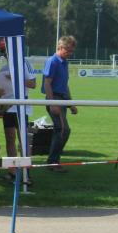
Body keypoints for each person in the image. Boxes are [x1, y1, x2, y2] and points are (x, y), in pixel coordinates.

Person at [0, 40, 36, 181]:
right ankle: (12, 170)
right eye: (3, 52)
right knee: (10, 139)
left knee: (23, 140)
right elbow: (0, 91)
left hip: (21, 106)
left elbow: (33, 84)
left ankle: (26, 171)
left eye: (6, 51)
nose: (5, 54)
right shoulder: (3, 69)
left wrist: (15, 78)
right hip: (7, 107)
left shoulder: (24, 63)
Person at [41, 35, 77, 172]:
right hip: (55, 98)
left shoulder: (64, 62)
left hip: (62, 99)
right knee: (63, 130)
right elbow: (47, 83)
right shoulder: (53, 61)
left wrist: (70, 103)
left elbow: (64, 85)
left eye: (72, 51)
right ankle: (52, 162)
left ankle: (54, 160)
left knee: (62, 130)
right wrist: (52, 103)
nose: (70, 53)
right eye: (68, 50)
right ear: (60, 47)